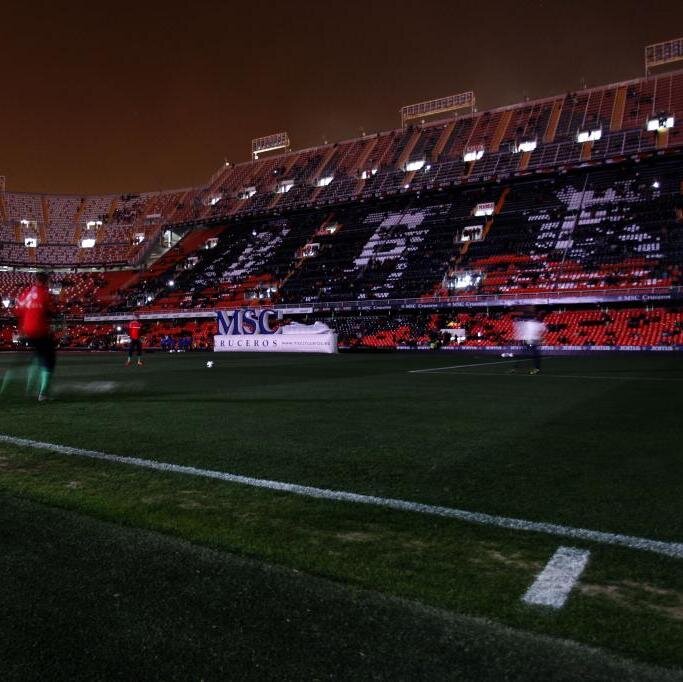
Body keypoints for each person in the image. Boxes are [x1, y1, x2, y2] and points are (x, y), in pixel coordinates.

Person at [1, 271, 57, 401]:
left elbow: (17, 310)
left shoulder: (26, 293)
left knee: (36, 357)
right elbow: (52, 311)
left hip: (27, 331)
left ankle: (28, 388)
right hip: (39, 330)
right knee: (49, 361)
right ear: (45, 281)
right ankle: (43, 394)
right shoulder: (45, 293)